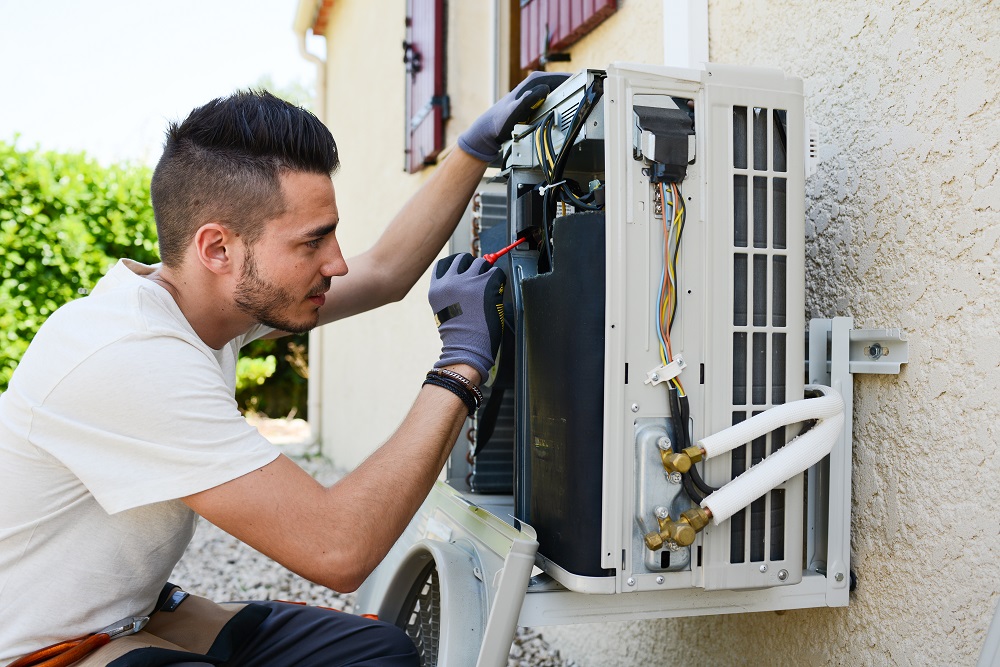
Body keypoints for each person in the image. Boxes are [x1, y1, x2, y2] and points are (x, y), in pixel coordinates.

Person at [0, 72, 568, 666]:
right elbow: (338, 549)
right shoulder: (133, 356)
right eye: (311, 242)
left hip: (131, 614)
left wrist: (473, 149)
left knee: (376, 654)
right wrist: (461, 362)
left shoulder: (200, 306)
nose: (337, 263)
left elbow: (385, 271)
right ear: (218, 249)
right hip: (43, 649)